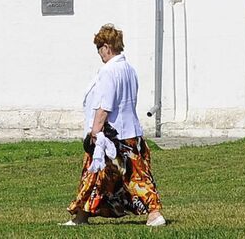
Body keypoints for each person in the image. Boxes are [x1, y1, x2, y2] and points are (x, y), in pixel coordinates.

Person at [64, 23, 167, 227]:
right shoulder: (129, 69)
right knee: (96, 176)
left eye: (99, 48)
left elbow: (105, 105)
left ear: (107, 47)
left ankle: (155, 214)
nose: (99, 53)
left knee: (134, 177)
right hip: (131, 131)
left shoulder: (109, 71)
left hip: (114, 135)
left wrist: (95, 131)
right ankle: (81, 216)